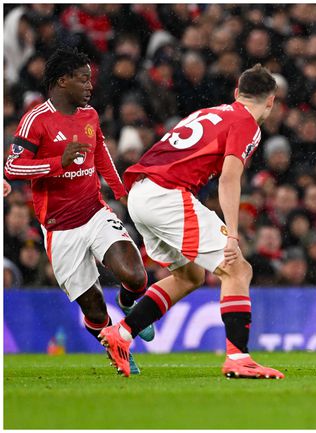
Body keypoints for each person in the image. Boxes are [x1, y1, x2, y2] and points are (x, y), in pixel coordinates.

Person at [98, 64, 284, 380]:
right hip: (166, 194)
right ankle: (238, 358)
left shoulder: (213, 112)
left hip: (141, 193)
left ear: (237, 93)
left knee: (189, 275)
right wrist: (233, 235)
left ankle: (123, 334)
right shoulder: (247, 123)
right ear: (271, 101)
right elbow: (229, 178)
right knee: (237, 268)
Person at [3, 47, 153, 374]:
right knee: (96, 312)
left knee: (136, 277)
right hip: (60, 229)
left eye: (90, 79)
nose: (89, 86)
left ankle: (129, 305)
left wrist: (121, 192)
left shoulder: (90, 116)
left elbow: (100, 156)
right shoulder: (36, 119)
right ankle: (115, 347)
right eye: (83, 79)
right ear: (62, 81)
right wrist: (59, 163)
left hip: (95, 213)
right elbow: (12, 168)